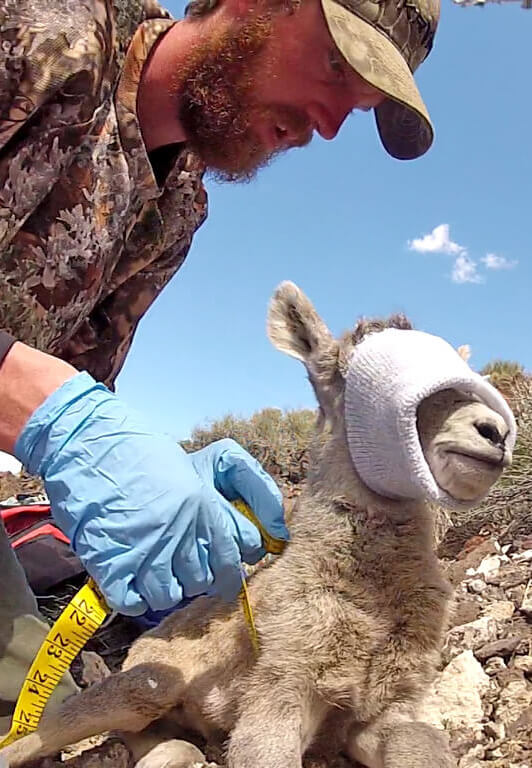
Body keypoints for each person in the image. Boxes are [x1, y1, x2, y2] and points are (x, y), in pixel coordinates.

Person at [0, 0, 440, 734]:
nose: (328, 125)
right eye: (337, 65)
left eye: (355, 109)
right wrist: (55, 414)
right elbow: (44, 403)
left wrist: (137, 474)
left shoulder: (174, 210)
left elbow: (72, 387)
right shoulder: (44, 30)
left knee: (26, 700)